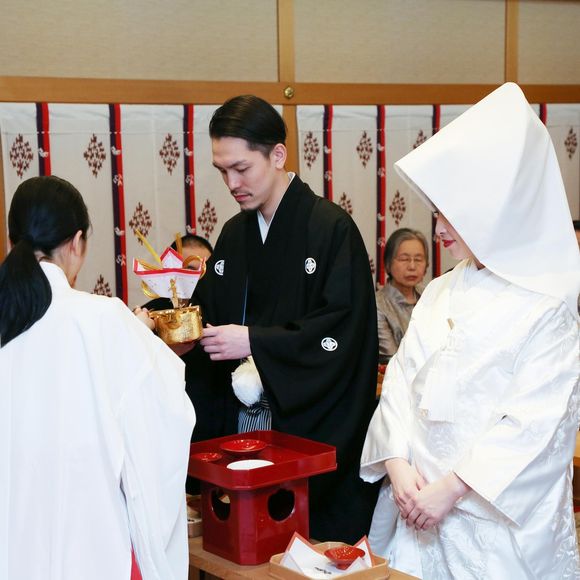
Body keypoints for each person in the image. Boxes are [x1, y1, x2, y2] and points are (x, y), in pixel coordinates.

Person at [360, 83, 580, 578]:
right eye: (438, 212)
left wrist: (451, 489)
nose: (438, 228)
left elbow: (535, 423)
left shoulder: (546, 305)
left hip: (489, 518)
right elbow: (400, 381)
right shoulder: (441, 290)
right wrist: (397, 464)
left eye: (450, 214)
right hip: (416, 501)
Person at [181, 94, 380, 543]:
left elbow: (341, 333)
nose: (232, 183)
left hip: (301, 430)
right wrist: (173, 328)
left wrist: (254, 341)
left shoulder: (330, 229)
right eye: (222, 171)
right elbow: (209, 316)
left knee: (298, 547)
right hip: (243, 427)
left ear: (277, 155)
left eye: (241, 168)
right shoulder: (235, 234)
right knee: (243, 547)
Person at [0, 176, 195, 580]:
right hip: (90, 547)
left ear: (11, 240)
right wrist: (145, 341)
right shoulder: (103, 318)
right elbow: (165, 419)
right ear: (76, 242)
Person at [376, 228, 428, 365]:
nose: (412, 266)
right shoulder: (378, 305)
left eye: (418, 259)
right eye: (404, 259)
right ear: (388, 263)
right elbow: (392, 359)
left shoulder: (430, 295)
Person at [141, 233, 213, 311]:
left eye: (205, 270)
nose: (200, 277)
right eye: (191, 271)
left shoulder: (219, 312)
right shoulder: (150, 313)